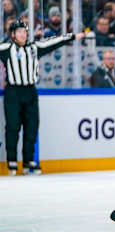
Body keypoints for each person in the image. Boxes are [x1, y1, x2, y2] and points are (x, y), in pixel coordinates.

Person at [0, 20, 86, 176]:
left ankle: (28, 161)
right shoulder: (6, 48)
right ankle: (12, 160)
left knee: (31, 126)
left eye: (25, 32)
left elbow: (55, 41)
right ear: (13, 35)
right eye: (19, 32)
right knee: (13, 127)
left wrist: (73, 36)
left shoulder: (34, 48)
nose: (23, 34)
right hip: (13, 92)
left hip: (30, 91)